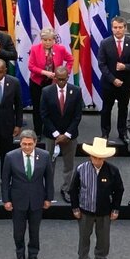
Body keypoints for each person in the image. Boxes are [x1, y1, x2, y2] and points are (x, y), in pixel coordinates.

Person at [71, 137, 124, 259]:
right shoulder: (81, 169)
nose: (97, 160)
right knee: (83, 237)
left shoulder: (113, 170)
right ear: (90, 156)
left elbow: (119, 190)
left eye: (100, 158)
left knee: (103, 239)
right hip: (85, 211)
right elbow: (73, 190)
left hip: (105, 212)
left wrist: (115, 209)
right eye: (95, 157)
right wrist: (75, 208)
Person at [1, 130, 53, 259]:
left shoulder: (44, 156)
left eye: (30, 144)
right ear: (20, 143)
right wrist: (6, 200)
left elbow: (49, 178)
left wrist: (49, 198)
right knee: (18, 231)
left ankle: (33, 255)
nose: (27, 147)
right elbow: (5, 180)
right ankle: (20, 255)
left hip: (37, 199)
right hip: (18, 200)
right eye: (24, 144)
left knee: (34, 231)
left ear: (35, 143)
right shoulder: (10, 157)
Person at [97, 16, 130, 142]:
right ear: (112, 28)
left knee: (123, 109)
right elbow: (102, 64)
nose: (117, 30)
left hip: (125, 84)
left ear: (125, 28)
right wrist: (113, 79)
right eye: (115, 27)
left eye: (120, 27)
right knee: (106, 109)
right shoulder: (105, 43)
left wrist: (126, 67)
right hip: (109, 84)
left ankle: (123, 133)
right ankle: (105, 133)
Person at [40, 66, 83, 203]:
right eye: (58, 79)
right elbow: (44, 115)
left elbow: (77, 116)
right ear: (55, 78)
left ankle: (66, 189)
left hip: (70, 136)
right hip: (51, 135)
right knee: (49, 164)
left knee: (68, 165)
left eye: (64, 79)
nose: (61, 82)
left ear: (68, 78)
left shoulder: (76, 91)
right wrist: (57, 134)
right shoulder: (46, 91)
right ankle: (48, 189)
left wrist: (67, 134)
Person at [27, 29, 72, 135]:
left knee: (52, 107)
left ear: (54, 40)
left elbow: (70, 60)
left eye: (50, 40)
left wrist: (65, 72)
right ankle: (37, 131)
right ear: (41, 40)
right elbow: (31, 66)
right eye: (45, 40)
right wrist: (44, 72)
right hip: (37, 82)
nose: (47, 42)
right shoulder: (34, 49)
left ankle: (52, 131)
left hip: (53, 83)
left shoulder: (60, 49)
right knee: (37, 108)